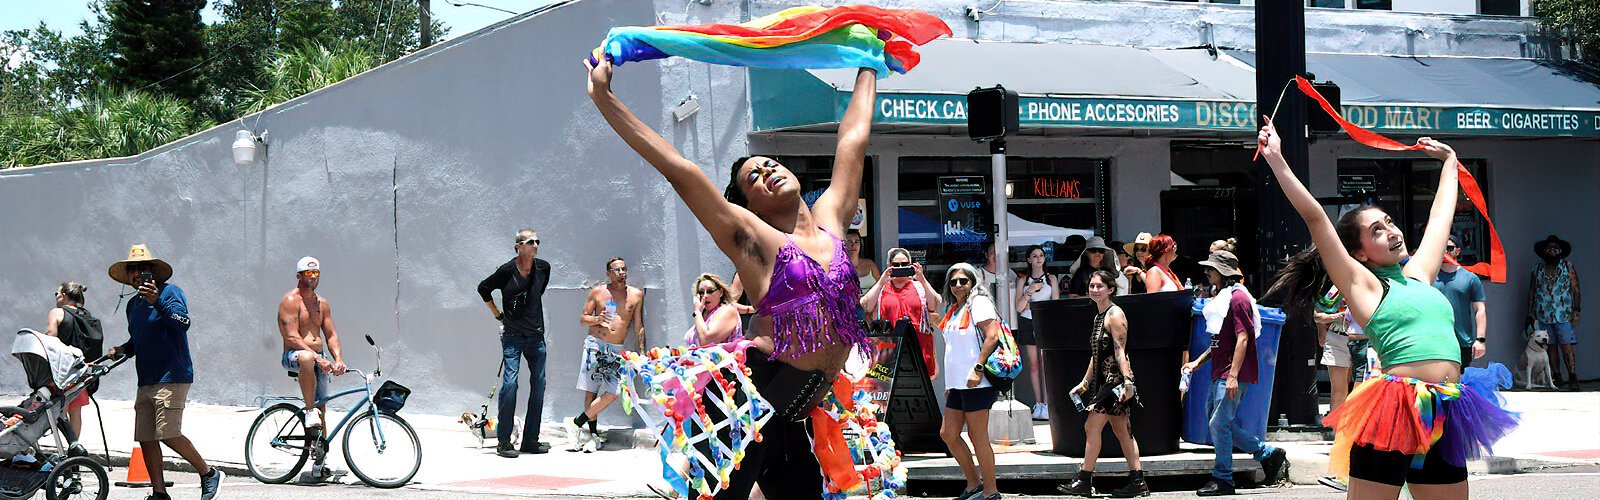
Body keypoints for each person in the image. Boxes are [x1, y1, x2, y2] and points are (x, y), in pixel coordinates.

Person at [587, 58, 877, 498]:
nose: (767, 172)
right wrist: (605, 100)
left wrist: (869, 62)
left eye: (768, 164)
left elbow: (852, 140)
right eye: (753, 177)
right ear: (751, 206)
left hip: (796, 414)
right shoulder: (753, 240)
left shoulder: (831, 222)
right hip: (746, 407)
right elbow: (679, 171)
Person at [1259, 121, 1516, 499]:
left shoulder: (1419, 275)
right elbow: (1315, 217)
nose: (1392, 231)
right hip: (1393, 411)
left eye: (1390, 222)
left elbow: (1440, 219)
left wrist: (1449, 161)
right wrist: (1277, 159)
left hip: (1446, 408)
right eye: (1377, 230)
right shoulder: (1364, 285)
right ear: (1360, 252)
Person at [103, 245, 223, 500]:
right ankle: (159, 493)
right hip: (146, 378)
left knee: (167, 432)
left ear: (153, 272)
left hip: (172, 375)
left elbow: (183, 323)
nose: (137, 274)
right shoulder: (133, 305)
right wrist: (122, 349)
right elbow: (138, 340)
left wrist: (157, 301)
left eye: (142, 269)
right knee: (146, 437)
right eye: (132, 270)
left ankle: (208, 473)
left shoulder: (170, 292)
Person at [1183, 250, 1284, 496]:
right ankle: (1266, 453)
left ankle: (1223, 478)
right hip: (1220, 370)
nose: (1207, 272)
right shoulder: (1224, 297)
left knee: (1218, 424)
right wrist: (1197, 362)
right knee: (1220, 423)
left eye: (1211, 268)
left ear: (1224, 272)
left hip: (1231, 372)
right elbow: (1220, 341)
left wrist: (1233, 376)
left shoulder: (1239, 299)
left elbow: (1242, 339)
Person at [1059, 270, 1148, 498]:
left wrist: (1127, 382)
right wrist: (1085, 382)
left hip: (1115, 381)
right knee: (1122, 430)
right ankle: (1137, 481)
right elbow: (1096, 354)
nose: (1095, 289)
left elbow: (1120, 351)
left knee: (1092, 426)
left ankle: (1084, 479)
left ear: (1111, 289)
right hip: (1104, 381)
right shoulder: (1099, 315)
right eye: (1092, 286)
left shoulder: (1114, 314)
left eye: (1100, 286)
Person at [477, 228, 552, 457]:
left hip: (536, 335)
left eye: (537, 241)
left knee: (539, 385)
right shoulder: (507, 271)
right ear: (518, 246)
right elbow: (483, 288)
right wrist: (497, 314)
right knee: (510, 384)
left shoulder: (543, 268)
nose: (535, 245)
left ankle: (530, 439)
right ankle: (504, 442)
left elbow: (538, 293)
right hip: (513, 336)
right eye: (530, 242)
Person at [935, 263, 1003, 500]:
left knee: (978, 437)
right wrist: (949, 384)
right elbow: (954, 350)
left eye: (963, 280)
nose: (958, 285)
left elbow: (992, 335)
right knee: (948, 433)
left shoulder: (979, 303)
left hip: (977, 382)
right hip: (957, 384)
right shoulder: (955, 309)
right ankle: (974, 483)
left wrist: (978, 368)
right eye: (953, 282)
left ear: (973, 281)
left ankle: (991, 491)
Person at [572, 257, 646, 452]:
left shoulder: (636, 295)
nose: (621, 273)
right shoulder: (598, 292)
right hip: (596, 344)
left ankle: (577, 422)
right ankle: (592, 437)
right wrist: (597, 318)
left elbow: (638, 325)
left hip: (615, 349)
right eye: (616, 270)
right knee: (591, 391)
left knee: (614, 392)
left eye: (623, 269)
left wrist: (642, 352)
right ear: (608, 273)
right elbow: (583, 319)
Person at [276, 257, 347, 437]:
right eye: (309, 273)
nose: (313, 277)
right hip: (294, 356)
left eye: (316, 273)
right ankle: (309, 411)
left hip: (319, 356)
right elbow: (291, 336)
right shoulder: (291, 301)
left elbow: (331, 335)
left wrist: (338, 359)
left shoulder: (322, 303)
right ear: (299, 276)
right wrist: (316, 358)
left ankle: (319, 457)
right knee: (307, 358)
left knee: (321, 407)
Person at [861, 248, 940, 377]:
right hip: (889, 351)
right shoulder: (882, 288)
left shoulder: (919, 287)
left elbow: (934, 304)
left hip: (918, 348)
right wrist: (882, 280)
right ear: (889, 266)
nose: (900, 268)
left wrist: (922, 279)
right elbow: (867, 306)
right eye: (896, 265)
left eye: (904, 264)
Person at [1527, 234, 1581, 390]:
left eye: (1555, 248)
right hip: (1542, 313)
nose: (1552, 251)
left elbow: (1575, 288)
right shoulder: (1537, 269)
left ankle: (1572, 376)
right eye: (1549, 248)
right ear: (1544, 251)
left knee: (1566, 345)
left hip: (1563, 314)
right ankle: (1557, 376)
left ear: (1560, 251)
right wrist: (1529, 314)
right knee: (1550, 346)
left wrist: (1577, 310)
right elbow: (1531, 292)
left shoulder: (1567, 267)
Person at [44, 282, 96, 437]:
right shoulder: (86, 315)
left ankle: (62, 446)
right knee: (76, 411)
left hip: (61, 370)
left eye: (57, 294)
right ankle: (74, 447)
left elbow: (50, 337)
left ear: (64, 295)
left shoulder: (57, 312)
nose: (56, 297)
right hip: (81, 370)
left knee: (59, 410)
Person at [1013, 245, 1059, 419]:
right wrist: (1030, 292)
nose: (1039, 258)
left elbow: (1055, 303)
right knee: (1033, 364)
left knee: (1045, 363)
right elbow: (1018, 308)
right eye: (1034, 256)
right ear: (1028, 259)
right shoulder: (1023, 281)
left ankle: (1048, 403)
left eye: (1041, 255)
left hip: (1045, 321)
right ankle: (1038, 403)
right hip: (1027, 320)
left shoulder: (1051, 278)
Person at [1433, 237, 1487, 369]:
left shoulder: (1470, 278)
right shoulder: (1429, 276)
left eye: (1450, 248)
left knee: (1459, 383)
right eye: (1442, 248)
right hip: (1433, 339)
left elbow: (1480, 309)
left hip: (1462, 341)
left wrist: (1480, 340)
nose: (1445, 251)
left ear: (1457, 251)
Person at [685, 273, 742, 346]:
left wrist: (697, 312)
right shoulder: (704, 315)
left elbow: (706, 341)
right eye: (701, 292)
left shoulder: (727, 310)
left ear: (721, 292)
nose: (705, 296)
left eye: (710, 291)